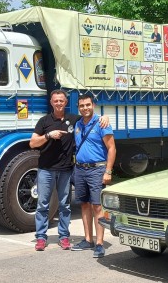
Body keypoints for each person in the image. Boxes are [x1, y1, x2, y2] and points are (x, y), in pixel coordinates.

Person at [29, 89, 108, 251]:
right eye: (56, 101)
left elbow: (90, 116)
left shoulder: (74, 119)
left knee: (65, 205)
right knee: (43, 204)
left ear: (66, 103)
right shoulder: (44, 121)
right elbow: (32, 143)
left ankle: (64, 236)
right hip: (46, 169)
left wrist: (104, 117)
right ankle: (41, 237)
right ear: (51, 103)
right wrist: (48, 136)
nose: (59, 103)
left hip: (66, 170)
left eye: (62, 101)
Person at [70, 93, 116, 258]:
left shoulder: (102, 123)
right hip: (80, 169)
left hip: (97, 169)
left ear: (93, 105)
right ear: (78, 107)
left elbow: (111, 148)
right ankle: (87, 239)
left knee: (97, 206)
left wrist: (108, 171)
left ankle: (99, 243)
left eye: (88, 105)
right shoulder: (77, 124)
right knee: (84, 204)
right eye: (82, 106)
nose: (85, 108)